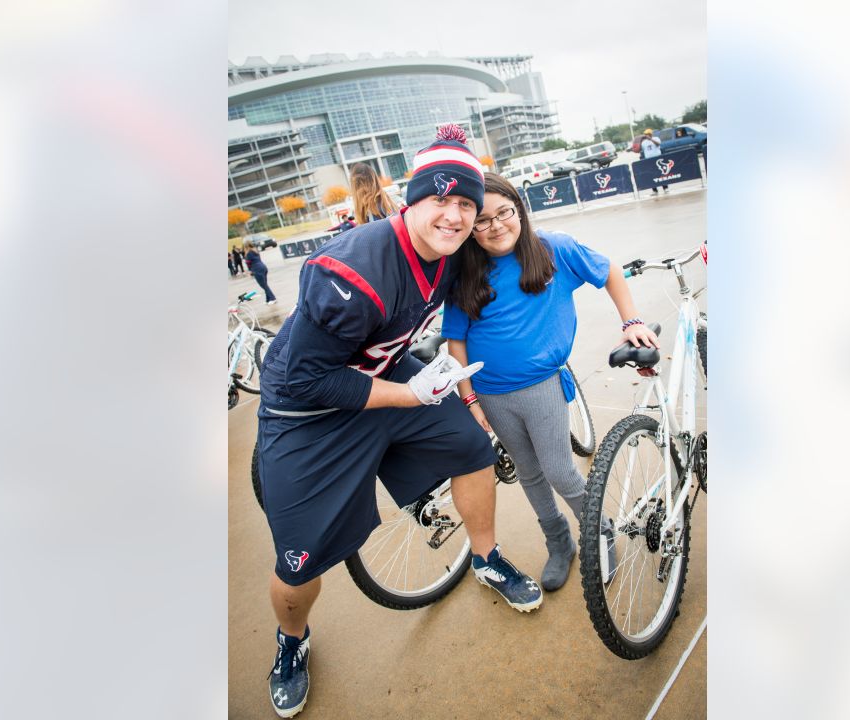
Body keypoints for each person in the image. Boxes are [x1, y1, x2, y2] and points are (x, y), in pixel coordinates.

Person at [254, 125, 542, 718]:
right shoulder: (350, 269)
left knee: (472, 448)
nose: (456, 215)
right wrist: (408, 395)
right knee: (298, 561)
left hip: (385, 373)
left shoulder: (455, 248)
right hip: (307, 413)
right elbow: (308, 378)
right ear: (411, 201)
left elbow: (515, 239)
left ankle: (485, 559)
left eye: (465, 202)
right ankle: (292, 640)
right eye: (441, 199)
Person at [442, 172, 660, 592]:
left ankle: (599, 529)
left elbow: (610, 270)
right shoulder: (465, 273)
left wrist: (630, 319)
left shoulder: (552, 249)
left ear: (519, 211)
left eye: (504, 213)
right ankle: (558, 541)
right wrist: (468, 397)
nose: (496, 226)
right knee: (528, 472)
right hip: (490, 393)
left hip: (540, 385)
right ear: (470, 230)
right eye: (482, 221)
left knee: (560, 470)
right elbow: (456, 339)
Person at [245, 240, 278, 305]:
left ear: (246, 246)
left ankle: (273, 298)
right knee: (265, 284)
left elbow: (248, 263)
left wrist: (250, 271)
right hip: (263, 267)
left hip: (257, 269)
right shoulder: (255, 250)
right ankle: (268, 299)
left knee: (264, 286)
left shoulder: (248, 253)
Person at [639, 128, 668, 194]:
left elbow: (658, 144)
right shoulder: (643, 142)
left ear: (650, 134)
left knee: (660, 173)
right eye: (645, 134)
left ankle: (665, 188)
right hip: (649, 160)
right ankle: (655, 190)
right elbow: (642, 150)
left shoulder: (656, 138)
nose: (646, 135)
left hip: (657, 158)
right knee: (651, 174)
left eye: (647, 134)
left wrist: (651, 139)